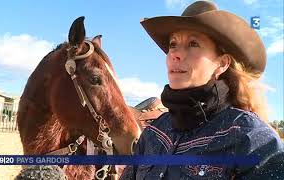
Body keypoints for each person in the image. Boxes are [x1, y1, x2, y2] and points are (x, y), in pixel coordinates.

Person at [120, 1, 284, 179]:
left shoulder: (251, 138)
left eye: (193, 44)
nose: (176, 53)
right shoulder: (154, 133)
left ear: (222, 64)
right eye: (173, 44)